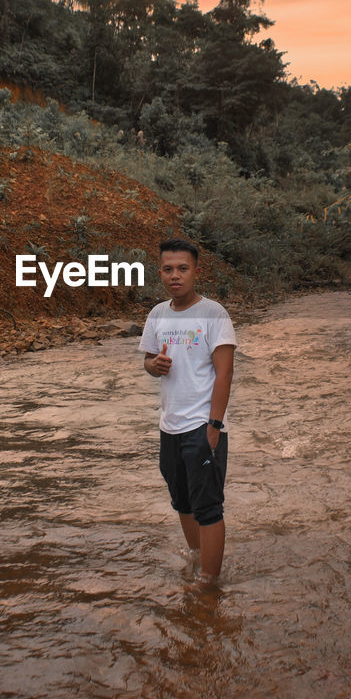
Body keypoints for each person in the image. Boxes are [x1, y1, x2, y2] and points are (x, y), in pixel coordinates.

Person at [139, 238, 236, 581]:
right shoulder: (157, 314)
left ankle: (210, 587)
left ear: (196, 271)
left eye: (182, 268)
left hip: (201, 425)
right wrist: (154, 366)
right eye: (168, 269)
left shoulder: (213, 314)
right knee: (182, 502)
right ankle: (197, 561)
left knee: (208, 507)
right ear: (160, 273)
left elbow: (225, 372)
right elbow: (148, 361)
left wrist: (214, 425)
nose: (175, 275)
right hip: (170, 427)